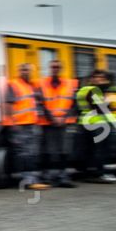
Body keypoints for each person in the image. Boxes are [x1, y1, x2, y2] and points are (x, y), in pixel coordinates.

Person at [4, 62, 46, 191]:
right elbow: (9, 104)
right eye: (22, 70)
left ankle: (32, 179)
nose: (25, 72)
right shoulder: (13, 84)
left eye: (27, 70)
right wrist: (13, 122)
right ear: (19, 71)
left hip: (32, 124)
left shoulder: (33, 85)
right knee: (24, 153)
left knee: (33, 153)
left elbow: (38, 104)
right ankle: (27, 180)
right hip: (20, 126)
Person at [36, 58, 78, 188]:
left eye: (57, 67)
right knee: (48, 150)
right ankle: (48, 177)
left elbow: (74, 104)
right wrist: (52, 118)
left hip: (64, 123)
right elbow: (39, 103)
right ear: (50, 68)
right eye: (53, 67)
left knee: (64, 150)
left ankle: (63, 177)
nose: (55, 69)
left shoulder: (70, 83)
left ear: (61, 69)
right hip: (48, 123)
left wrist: (63, 118)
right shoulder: (41, 83)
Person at [76, 67, 116, 183]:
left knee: (90, 150)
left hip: (86, 123)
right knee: (102, 150)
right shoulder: (95, 90)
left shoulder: (84, 89)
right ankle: (103, 173)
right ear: (92, 79)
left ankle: (89, 173)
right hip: (97, 124)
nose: (100, 80)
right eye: (98, 77)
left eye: (102, 78)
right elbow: (100, 108)